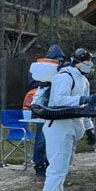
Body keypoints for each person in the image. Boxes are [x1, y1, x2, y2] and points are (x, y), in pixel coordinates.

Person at [36, 48, 96, 191]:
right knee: (56, 170)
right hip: (58, 127)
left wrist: (89, 129)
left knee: (62, 169)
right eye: (87, 62)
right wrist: (82, 100)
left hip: (71, 128)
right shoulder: (65, 76)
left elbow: (85, 110)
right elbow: (58, 100)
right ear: (78, 61)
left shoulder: (83, 80)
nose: (89, 65)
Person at [26, 46, 67, 177]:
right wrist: (43, 83)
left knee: (55, 140)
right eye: (57, 60)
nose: (58, 63)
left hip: (56, 108)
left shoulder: (63, 71)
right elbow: (31, 84)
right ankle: (39, 164)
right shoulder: (39, 69)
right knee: (41, 139)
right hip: (41, 108)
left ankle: (51, 164)